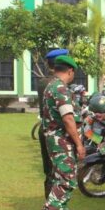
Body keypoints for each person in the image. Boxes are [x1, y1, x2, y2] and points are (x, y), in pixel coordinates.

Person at [34, 55, 86, 210]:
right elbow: (68, 118)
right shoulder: (60, 89)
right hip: (61, 141)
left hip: (56, 141)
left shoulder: (51, 86)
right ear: (70, 71)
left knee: (62, 178)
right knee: (66, 180)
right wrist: (79, 144)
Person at [37, 48, 68, 200]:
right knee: (57, 172)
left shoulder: (43, 82)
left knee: (51, 171)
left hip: (45, 129)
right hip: (55, 132)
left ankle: (53, 209)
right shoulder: (57, 84)